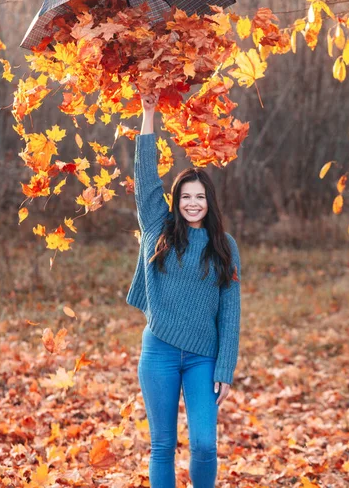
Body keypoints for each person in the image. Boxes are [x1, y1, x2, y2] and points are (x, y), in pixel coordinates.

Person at [126, 90, 241, 488]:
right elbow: (145, 179)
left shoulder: (225, 248)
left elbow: (230, 312)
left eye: (200, 197)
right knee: (162, 445)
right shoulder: (159, 229)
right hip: (157, 350)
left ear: (210, 202)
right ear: (176, 201)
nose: (193, 204)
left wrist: (225, 367)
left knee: (205, 445)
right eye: (186, 197)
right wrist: (148, 115)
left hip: (203, 358)